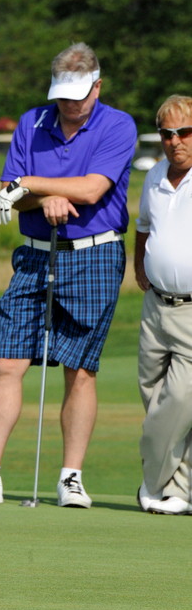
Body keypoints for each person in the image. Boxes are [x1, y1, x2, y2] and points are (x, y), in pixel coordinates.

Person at [0, 42, 135, 508]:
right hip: (35, 253)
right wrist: (40, 199)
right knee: (7, 360)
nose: (69, 104)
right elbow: (8, 192)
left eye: (79, 95)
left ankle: (71, 479)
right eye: (62, 94)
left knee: (80, 370)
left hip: (94, 254)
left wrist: (35, 185)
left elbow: (92, 188)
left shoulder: (118, 125)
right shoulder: (32, 122)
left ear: (97, 87)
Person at [134, 95, 192, 514]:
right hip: (156, 306)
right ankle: (179, 489)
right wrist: (140, 267)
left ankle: (156, 483)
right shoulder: (154, 175)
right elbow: (143, 227)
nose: (175, 141)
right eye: (167, 133)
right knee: (153, 396)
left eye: (184, 132)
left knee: (179, 399)